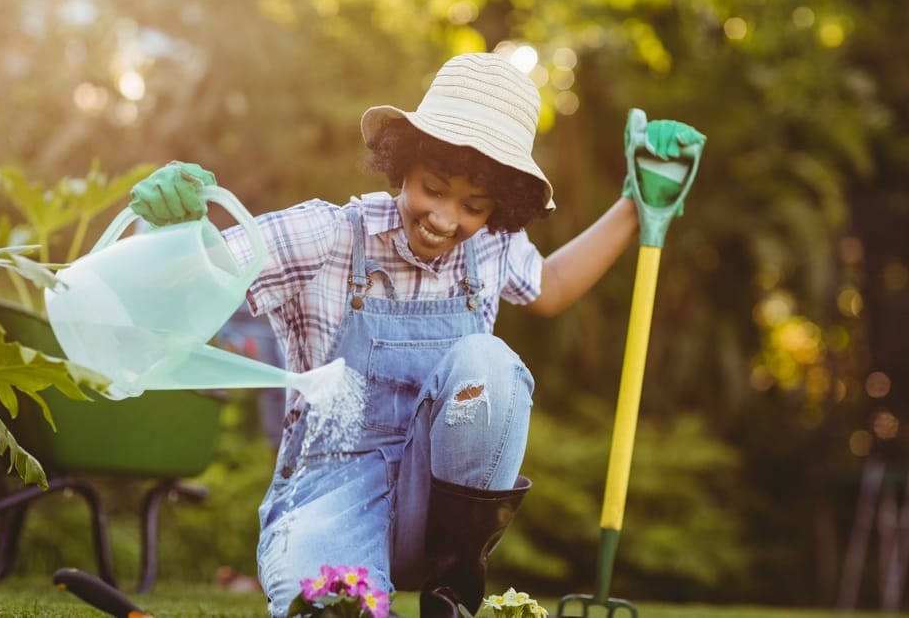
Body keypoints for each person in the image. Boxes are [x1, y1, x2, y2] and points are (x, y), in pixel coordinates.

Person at [129, 53, 704, 618]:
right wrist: (170, 227)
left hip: (438, 514)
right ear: (403, 163)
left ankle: (452, 596)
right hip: (330, 496)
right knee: (333, 609)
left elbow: (548, 284)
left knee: (491, 362)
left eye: (473, 206)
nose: (446, 219)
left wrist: (637, 203)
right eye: (433, 188)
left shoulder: (491, 247)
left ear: (496, 209)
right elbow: (201, 277)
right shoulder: (330, 234)